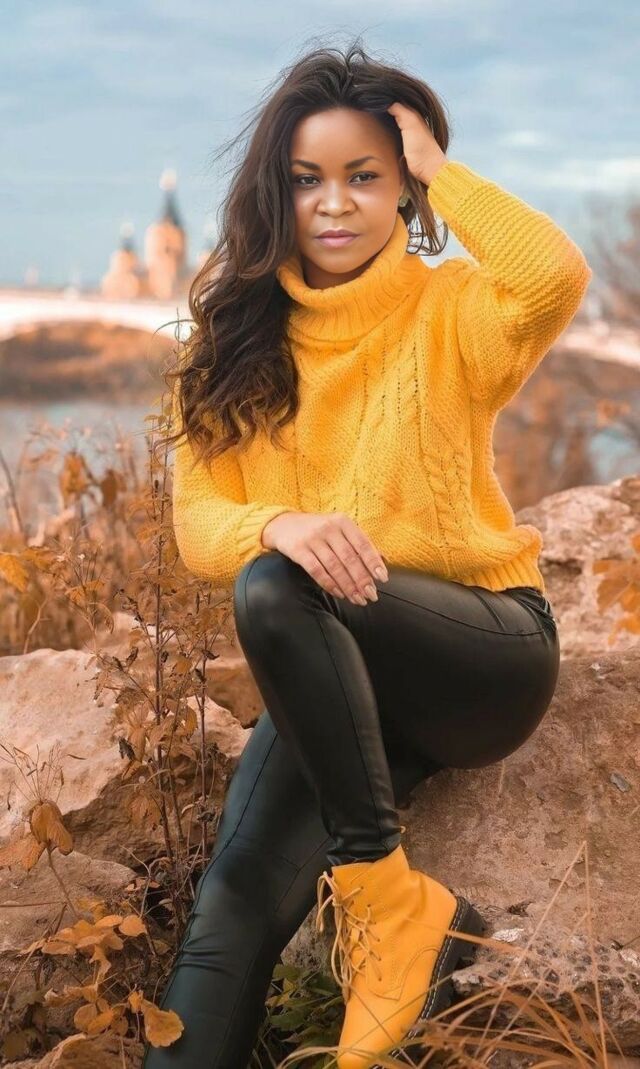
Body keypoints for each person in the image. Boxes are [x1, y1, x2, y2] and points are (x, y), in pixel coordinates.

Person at [142, 40, 591, 1069]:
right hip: (334, 683)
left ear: (401, 189)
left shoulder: (450, 309)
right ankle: (393, 910)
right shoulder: (229, 344)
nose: (335, 203)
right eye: (307, 180)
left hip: (479, 655)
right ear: (276, 191)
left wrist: (439, 169)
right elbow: (200, 522)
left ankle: (387, 906)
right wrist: (278, 520)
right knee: (234, 896)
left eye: (366, 176)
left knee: (277, 586)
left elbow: (552, 275)